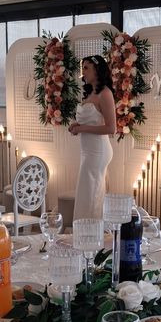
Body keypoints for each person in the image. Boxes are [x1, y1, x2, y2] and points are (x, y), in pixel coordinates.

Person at [69, 55, 116, 219]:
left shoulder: (105, 94)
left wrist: (82, 128)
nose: (83, 72)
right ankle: (84, 229)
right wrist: (76, 125)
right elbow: (92, 119)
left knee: (91, 194)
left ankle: (91, 230)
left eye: (86, 68)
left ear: (97, 70)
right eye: (82, 68)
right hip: (88, 151)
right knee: (86, 192)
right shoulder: (90, 94)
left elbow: (111, 128)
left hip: (98, 151)